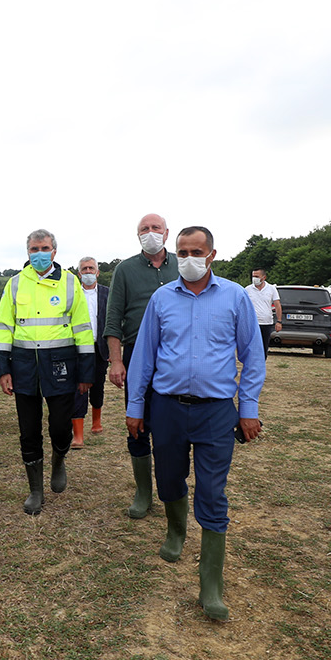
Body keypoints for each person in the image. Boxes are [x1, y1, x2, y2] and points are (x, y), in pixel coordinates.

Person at [126, 226, 264, 621]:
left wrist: (248, 407)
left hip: (216, 411)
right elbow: (144, 358)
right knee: (168, 479)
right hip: (167, 407)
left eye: (195, 251)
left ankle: (210, 585)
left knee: (212, 491)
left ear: (212, 255)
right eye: (181, 251)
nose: (188, 258)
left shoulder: (235, 297)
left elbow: (252, 355)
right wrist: (136, 406)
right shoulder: (161, 298)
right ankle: (175, 529)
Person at [0, 229, 95, 515]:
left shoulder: (70, 283)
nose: (40, 253)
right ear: (27, 252)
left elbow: (83, 329)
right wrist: (3, 368)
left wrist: (87, 371)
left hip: (61, 365)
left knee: (61, 427)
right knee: (29, 430)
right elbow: (2, 328)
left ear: (54, 251)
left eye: (45, 248)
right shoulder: (14, 284)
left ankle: (59, 458)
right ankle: (35, 490)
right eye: (34, 249)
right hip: (24, 366)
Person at [103, 212, 179, 519]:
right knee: (137, 422)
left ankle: (170, 489)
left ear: (167, 232)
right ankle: (143, 492)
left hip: (176, 354)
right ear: (138, 236)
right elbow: (113, 317)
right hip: (136, 354)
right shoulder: (125, 269)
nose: (150, 233)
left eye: (155, 228)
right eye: (144, 229)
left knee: (171, 423)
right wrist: (116, 360)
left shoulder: (183, 264)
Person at [71, 256, 109, 445]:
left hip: (99, 347)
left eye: (91, 268)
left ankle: (96, 422)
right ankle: (77, 434)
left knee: (98, 386)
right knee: (78, 388)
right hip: (77, 348)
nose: (88, 272)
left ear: (97, 272)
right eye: (84, 269)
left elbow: (113, 321)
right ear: (79, 273)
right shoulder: (73, 293)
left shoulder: (107, 293)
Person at [247, 269, 282, 358]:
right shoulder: (247, 289)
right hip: (252, 323)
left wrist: (279, 321)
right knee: (251, 347)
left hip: (266, 323)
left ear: (264, 277)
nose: (254, 278)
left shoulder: (271, 289)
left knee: (263, 347)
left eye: (257, 276)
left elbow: (277, 305)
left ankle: (261, 365)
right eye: (253, 276)